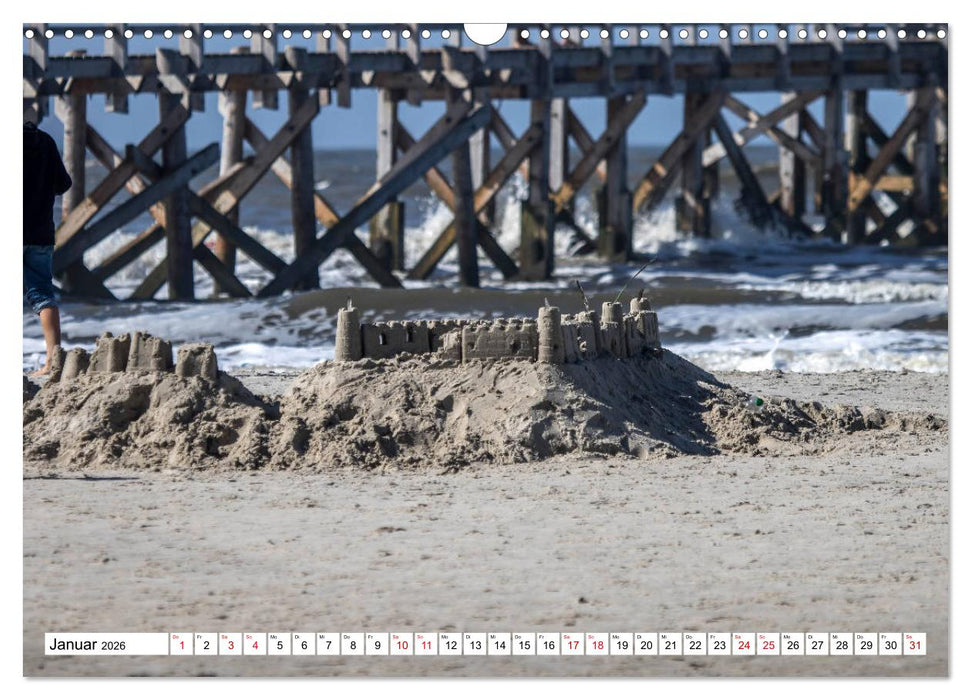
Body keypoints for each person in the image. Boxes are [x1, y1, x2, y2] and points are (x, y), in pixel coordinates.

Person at [24, 121, 72, 377]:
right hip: (41, 231)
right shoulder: (45, 141)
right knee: (43, 294)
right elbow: (63, 183)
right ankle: (53, 360)